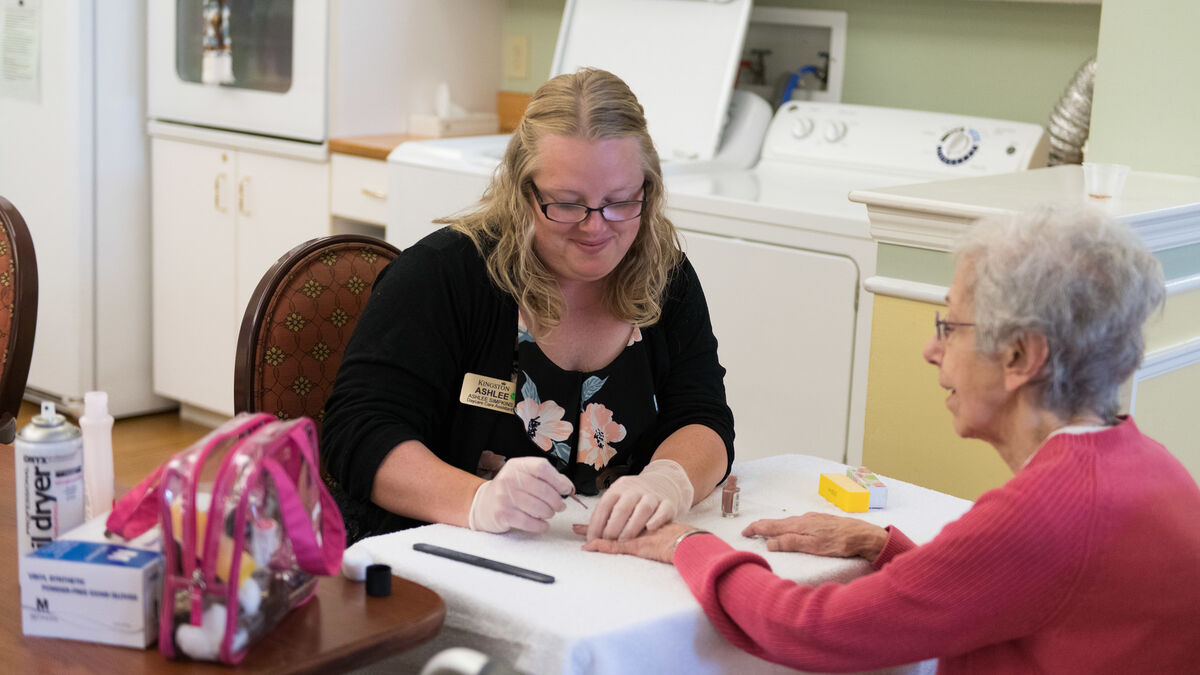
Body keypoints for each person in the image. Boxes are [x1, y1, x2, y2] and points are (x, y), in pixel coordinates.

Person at [585, 206, 1200, 672]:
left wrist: (690, 544)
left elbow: (810, 629)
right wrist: (881, 546)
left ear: (1020, 356)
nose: (932, 350)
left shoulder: (1044, 515)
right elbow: (1006, 591)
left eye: (950, 326)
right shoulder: (1149, 466)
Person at [321, 68, 734, 545]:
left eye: (620, 201)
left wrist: (668, 481)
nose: (595, 226)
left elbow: (703, 416)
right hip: (441, 550)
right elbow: (357, 432)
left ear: (649, 189)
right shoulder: (445, 275)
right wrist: (476, 500)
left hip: (608, 560)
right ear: (522, 191)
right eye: (567, 203)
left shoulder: (664, 275)